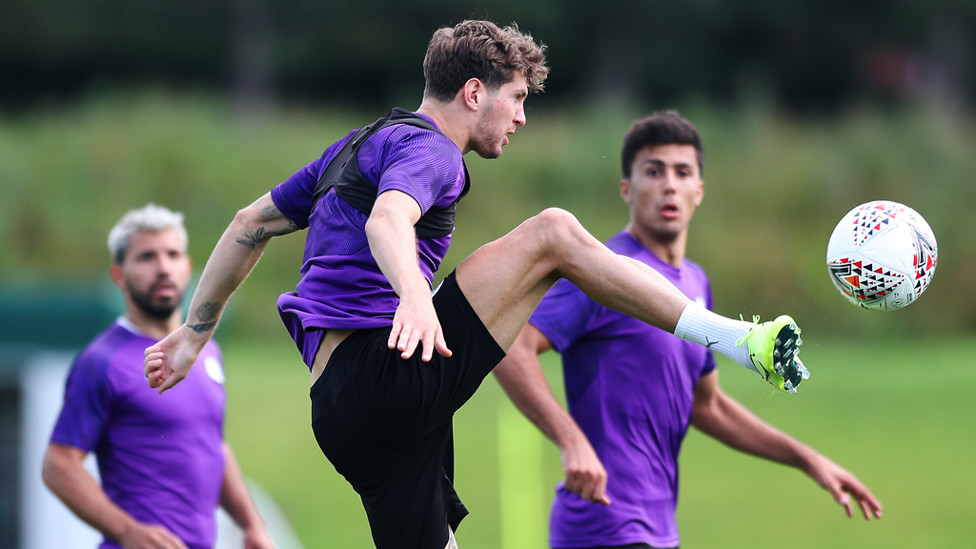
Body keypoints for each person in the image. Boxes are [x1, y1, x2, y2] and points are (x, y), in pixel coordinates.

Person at [143, 21, 808, 549]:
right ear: (473, 93)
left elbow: (247, 223)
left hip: (346, 416)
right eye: (516, 98)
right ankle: (738, 338)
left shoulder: (357, 143)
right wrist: (410, 293)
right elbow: (389, 218)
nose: (520, 118)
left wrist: (192, 336)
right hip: (383, 379)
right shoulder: (432, 150)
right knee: (552, 233)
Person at [492, 111, 883, 549]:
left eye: (682, 172)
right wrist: (571, 442)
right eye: (653, 171)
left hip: (660, 529)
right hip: (604, 525)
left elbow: (708, 405)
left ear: (699, 190)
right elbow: (509, 347)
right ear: (627, 188)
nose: (669, 185)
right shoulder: (604, 274)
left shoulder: (696, 284)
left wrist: (807, 460)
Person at [43, 204, 275, 549]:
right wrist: (126, 531)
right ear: (119, 275)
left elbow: (211, 444)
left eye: (172, 254)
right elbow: (59, 464)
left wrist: (251, 524)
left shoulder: (205, 351)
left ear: (188, 267)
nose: (163, 267)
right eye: (146, 257)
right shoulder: (102, 361)